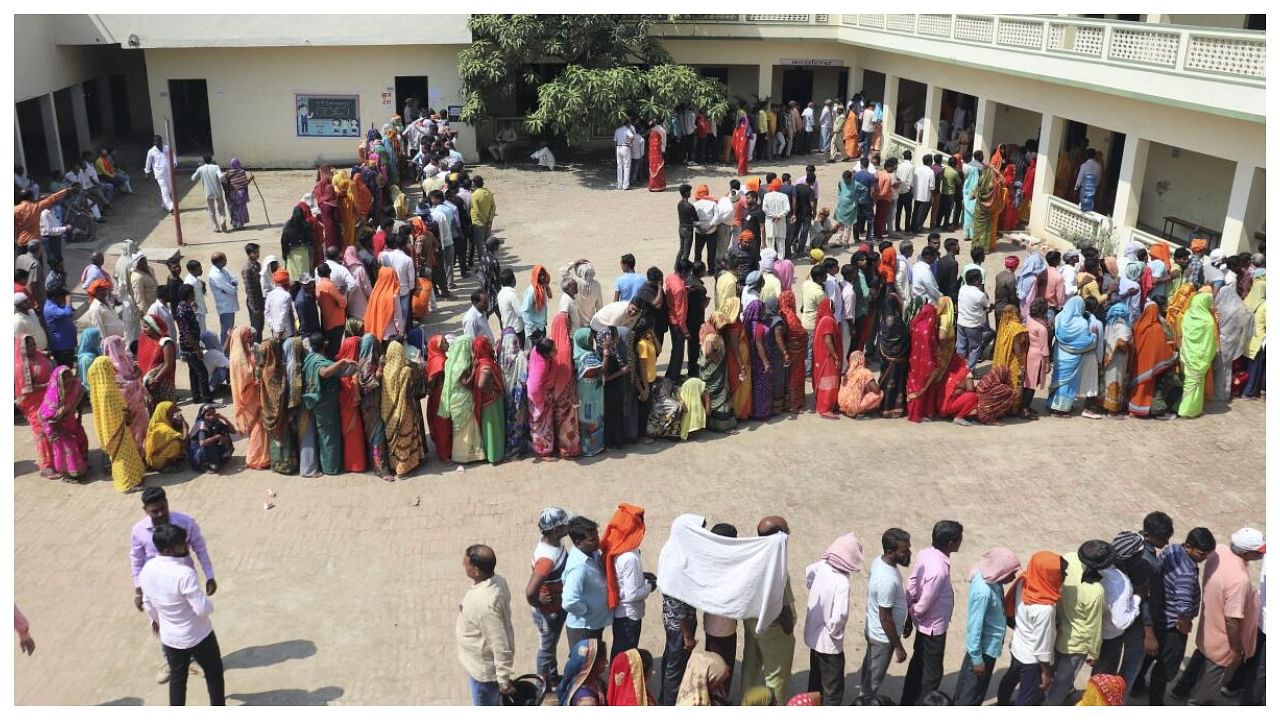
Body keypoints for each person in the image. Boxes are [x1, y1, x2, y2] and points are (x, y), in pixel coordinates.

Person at [1171, 528, 1265, 705]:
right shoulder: (1239, 580)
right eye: (1259, 552)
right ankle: (1197, 702)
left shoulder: (1219, 552)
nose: (1262, 555)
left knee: (1200, 656)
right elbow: (1232, 619)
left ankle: (1180, 690)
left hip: (1207, 626)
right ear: (1246, 553)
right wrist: (1236, 649)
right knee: (1214, 674)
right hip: (1223, 638)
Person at [139, 523, 225, 706]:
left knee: (178, 679)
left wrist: (158, 620)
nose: (186, 548)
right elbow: (202, 609)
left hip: (170, 638)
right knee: (214, 673)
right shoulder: (184, 573)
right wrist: (210, 604)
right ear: (169, 550)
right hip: (199, 635)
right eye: (181, 545)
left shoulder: (147, 569)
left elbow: (148, 604)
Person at [1043, 541, 1114, 705]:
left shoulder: (1068, 559)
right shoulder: (1095, 591)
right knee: (1061, 683)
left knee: (1051, 671)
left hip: (1057, 629)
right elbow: (1093, 626)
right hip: (1077, 643)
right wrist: (1094, 653)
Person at [900, 521, 963, 705]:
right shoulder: (939, 570)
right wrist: (914, 612)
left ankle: (907, 701)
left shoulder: (925, 554)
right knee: (932, 676)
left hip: (924, 625)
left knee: (917, 665)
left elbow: (912, 583)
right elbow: (926, 602)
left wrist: (909, 611)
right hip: (933, 628)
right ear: (951, 543)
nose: (961, 542)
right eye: (959, 539)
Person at [952, 547, 1021, 705]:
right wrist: (977, 660)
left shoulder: (990, 578)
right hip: (983, 651)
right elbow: (974, 627)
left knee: (968, 688)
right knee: (972, 694)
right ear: (1001, 570)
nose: (1013, 577)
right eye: (1011, 573)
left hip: (985, 648)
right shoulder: (984, 592)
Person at [805, 532, 864, 706]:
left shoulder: (821, 566)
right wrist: (834, 631)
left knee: (815, 679)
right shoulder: (842, 581)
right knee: (833, 688)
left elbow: (808, 573)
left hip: (814, 636)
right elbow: (840, 615)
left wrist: (813, 588)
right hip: (829, 642)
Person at [1003, 551, 1067, 705]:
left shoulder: (1025, 580)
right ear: (1048, 575)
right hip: (1032, 659)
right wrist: (1046, 672)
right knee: (1028, 698)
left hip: (1018, 646)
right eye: (1061, 572)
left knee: (1010, 680)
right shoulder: (1045, 609)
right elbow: (1042, 645)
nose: (1065, 575)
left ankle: (1003, 703)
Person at [456, 544, 516, 705]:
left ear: (476, 571)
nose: (463, 566)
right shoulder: (499, 581)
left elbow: (500, 644)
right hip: (479, 665)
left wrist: (503, 681)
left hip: (484, 674)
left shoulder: (485, 605)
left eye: (466, 564)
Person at [861, 528, 911, 697]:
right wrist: (898, 647)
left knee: (868, 674)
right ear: (890, 551)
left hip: (876, 630)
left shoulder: (880, 562)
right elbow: (885, 617)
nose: (908, 553)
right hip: (882, 638)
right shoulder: (886, 580)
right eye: (904, 551)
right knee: (871, 685)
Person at [87, 356, 144, 492]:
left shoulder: (102, 387)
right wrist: (125, 418)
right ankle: (126, 484)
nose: (113, 369)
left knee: (125, 453)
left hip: (113, 428)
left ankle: (134, 477)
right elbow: (116, 410)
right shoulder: (108, 390)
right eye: (109, 366)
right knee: (122, 455)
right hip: (117, 427)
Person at [561, 516, 610, 658]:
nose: (597, 541)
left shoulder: (592, 552)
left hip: (594, 624)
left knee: (592, 662)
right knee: (582, 668)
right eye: (592, 539)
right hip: (583, 628)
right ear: (578, 542)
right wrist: (586, 611)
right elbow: (569, 601)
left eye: (596, 536)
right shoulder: (578, 567)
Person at [381, 341, 425, 478]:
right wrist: (415, 411)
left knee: (395, 442)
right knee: (405, 439)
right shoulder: (405, 371)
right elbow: (407, 395)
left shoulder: (385, 370)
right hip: (404, 411)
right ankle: (403, 469)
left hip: (389, 412)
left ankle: (395, 466)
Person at [1177, 292, 1218, 418]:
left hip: (1188, 353)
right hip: (1200, 356)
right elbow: (1211, 341)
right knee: (1196, 382)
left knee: (1190, 381)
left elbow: (1183, 334)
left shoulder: (1187, 316)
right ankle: (1186, 410)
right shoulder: (1208, 321)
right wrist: (1209, 354)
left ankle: (1194, 408)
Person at [906, 302, 942, 423]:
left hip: (914, 361)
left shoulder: (916, 325)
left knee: (915, 383)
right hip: (925, 361)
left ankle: (915, 411)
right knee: (923, 385)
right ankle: (921, 412)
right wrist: (932, 364)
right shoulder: (928, 329)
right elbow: (928, 348)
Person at [811, 297, 841, 418]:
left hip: (824, 356)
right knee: (829, 382)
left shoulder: (823, 319)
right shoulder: (828, 320)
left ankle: (827, 405)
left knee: (827, 382)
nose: (834, 308)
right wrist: (836, 357)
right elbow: (828, 340)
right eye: (832, 305)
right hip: (827, 357)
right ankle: (825, 408)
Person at [559, 638, 607, 705]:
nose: (606, 662)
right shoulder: (587, 701)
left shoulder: (592, 681)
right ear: (591, 664)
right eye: (603, 659)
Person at [143, 401, 188, 472]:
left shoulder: (158, 421)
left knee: (178, 432)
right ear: (165, 412)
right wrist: (183, 422)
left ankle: (173, 458)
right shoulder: (162, 428)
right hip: (156, 460)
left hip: (155, 456)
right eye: (171, 410)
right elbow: (184, 439)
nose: (174, 412)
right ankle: (165, 466)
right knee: (177, 443)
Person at [143, 135, 174, 213]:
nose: (156, 143)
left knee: (170, 189)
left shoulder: (167, 148)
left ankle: (164, 204)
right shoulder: (151, 151)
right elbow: (148, 162)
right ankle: (171, 207)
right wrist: (147, 172)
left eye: (158, 141)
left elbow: (173, 156)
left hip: (168, 172)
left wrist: (174, 163)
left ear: (161, 141)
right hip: (159, 174)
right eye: (155, 141)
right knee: (164, 190)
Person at [220, 158, 252, 230]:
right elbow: (245, 183)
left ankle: (235, 223)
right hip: (241, 194)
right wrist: (250, 179)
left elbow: (223, 181)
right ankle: (240, 225)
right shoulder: (241, 172)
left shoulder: (228, 173)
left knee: (234, 209)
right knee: (241, 209)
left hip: (232, 194)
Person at [614, 121, 635, 190]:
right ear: (628, 124)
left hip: (618, 147)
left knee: (619, 166)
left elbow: (615, 140)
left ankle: (619, 185)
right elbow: (632, 136)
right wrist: (629, 143)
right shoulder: (627, 130)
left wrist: (616, 149)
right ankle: (625, 185)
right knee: (626, 167)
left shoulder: (617, 130)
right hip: (625, 147)